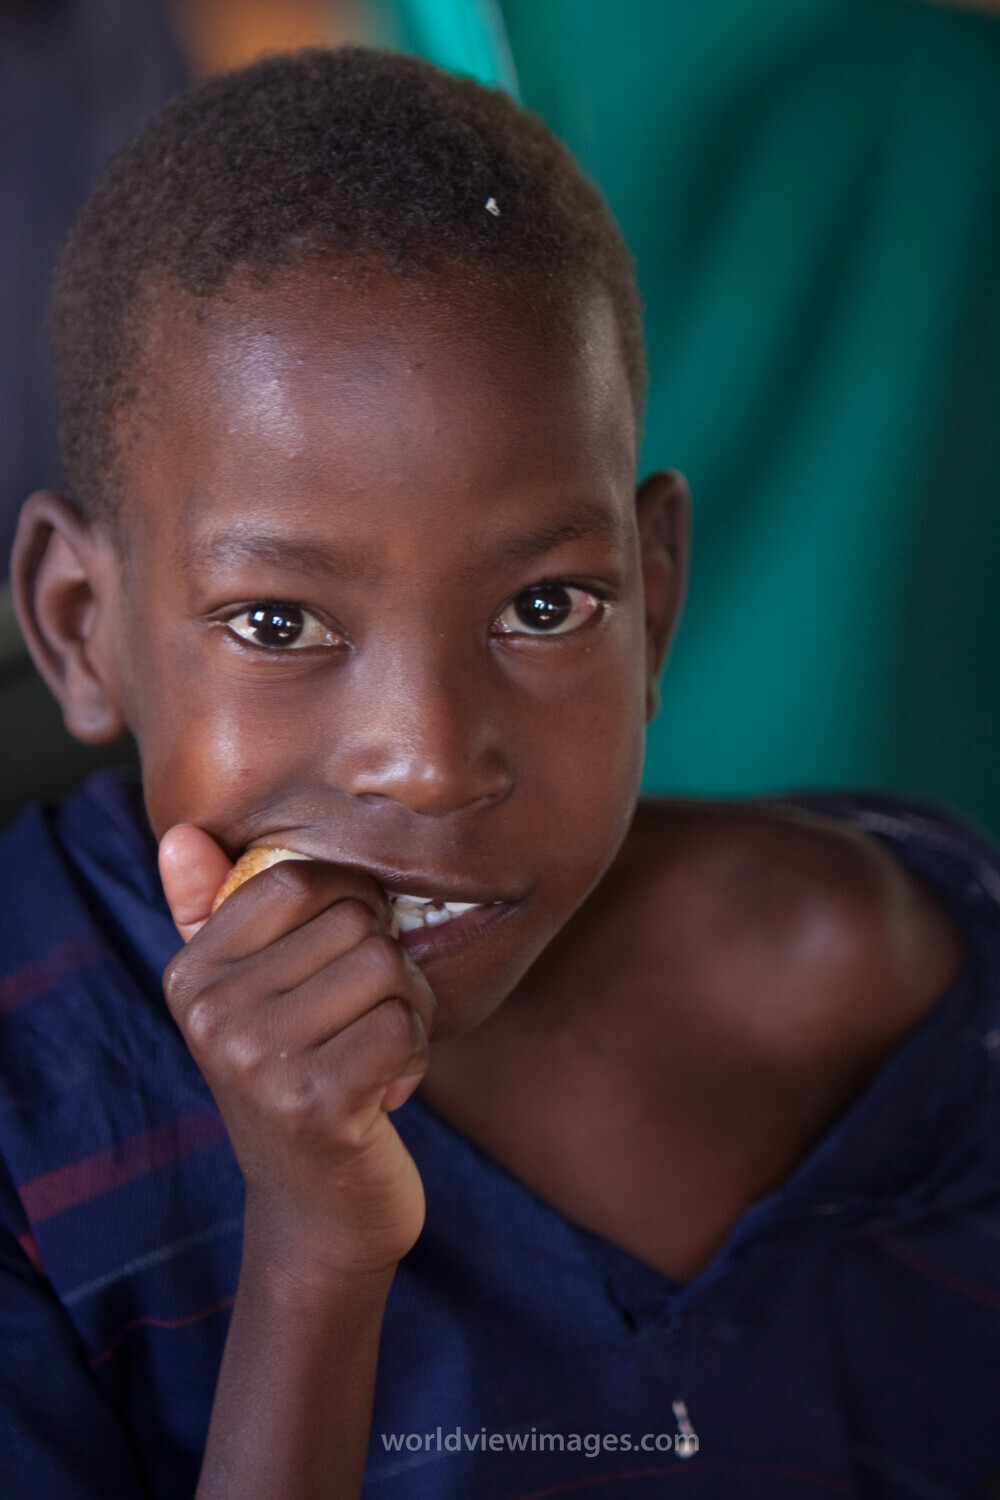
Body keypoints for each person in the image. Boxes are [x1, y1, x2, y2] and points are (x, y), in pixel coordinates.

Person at [1, 47, 998, 1500]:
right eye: (279, 623)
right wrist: (315, 1260)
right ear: (82, 629)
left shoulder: (898, 995)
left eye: (544, 606)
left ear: (654, 599)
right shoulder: (33, 1121)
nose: (425, 761)